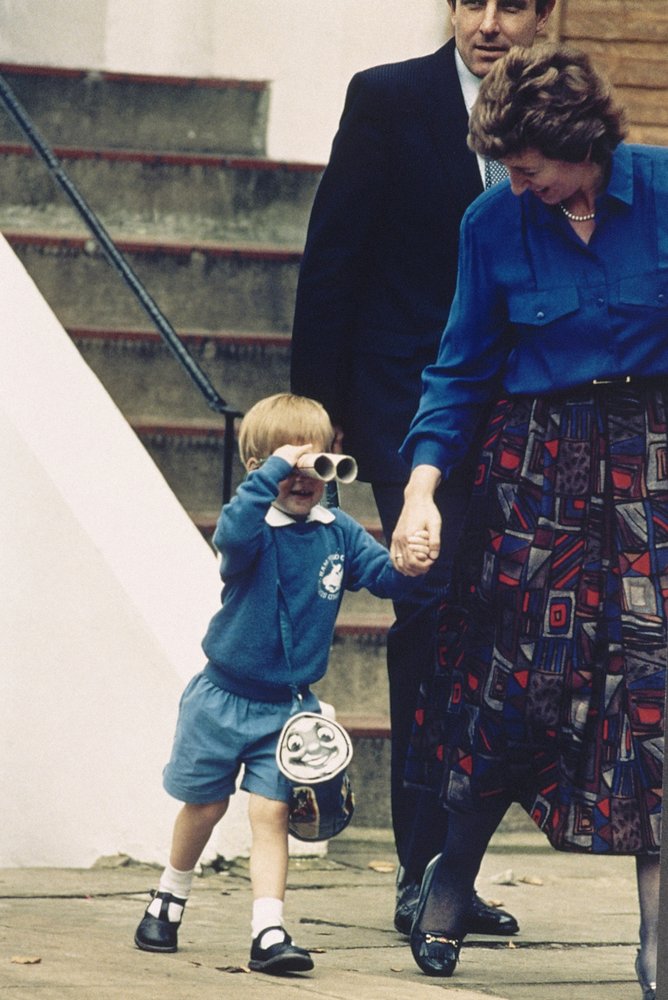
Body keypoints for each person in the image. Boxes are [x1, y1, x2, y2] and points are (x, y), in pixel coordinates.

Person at [391, 43, 666, 997]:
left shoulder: (664, 189)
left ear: (581, 145)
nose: (516, 181)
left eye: (527, 165)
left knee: (656, 698)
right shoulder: (492, 221)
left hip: (652, 473)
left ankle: (656, 945)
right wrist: (423, 485)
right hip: (537, 470)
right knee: (515, 689)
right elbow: (460, 366)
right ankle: (448, 882)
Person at [291, 0, 555, 937]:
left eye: (513, 4)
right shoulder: (389, 99)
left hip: (520, 416)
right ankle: (420, 871)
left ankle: (455, 874)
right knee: (433, 613)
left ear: (546, 15)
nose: (488, 23)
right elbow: (333, 261)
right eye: (471, 1)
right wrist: (313, 430)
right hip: (404, 402)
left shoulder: (554, 119)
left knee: (495, 636)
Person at [133, 392, 428, 976]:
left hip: (288, 709)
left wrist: (409, 561)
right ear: (260, 470)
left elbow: (380, 575)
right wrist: (274, 469)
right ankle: (169, 894)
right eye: (290, 466)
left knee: (270, 814)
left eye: (318, 465)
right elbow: (232, 533)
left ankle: (269, 929)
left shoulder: (336, 530)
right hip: (222, 698)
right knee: (205, 804)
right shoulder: (252, 530)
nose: (304, 479)